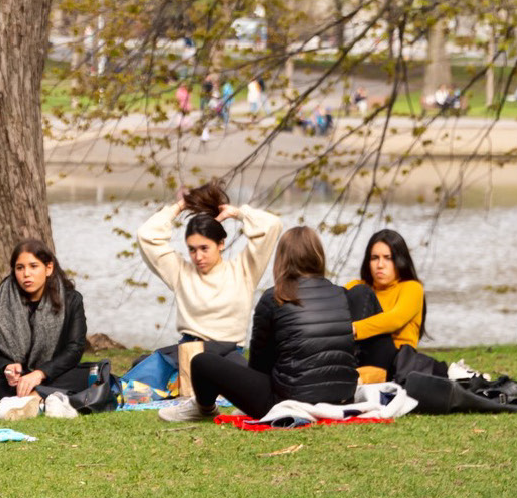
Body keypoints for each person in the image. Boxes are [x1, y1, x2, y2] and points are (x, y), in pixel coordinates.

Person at [168, 226, 360, 423]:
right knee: (237, 358)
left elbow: (259, 365)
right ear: (318, 255)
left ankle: (204, 409)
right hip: (342, 399)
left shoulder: (276, 297)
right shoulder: (340, 294)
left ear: (282, 258)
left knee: (202, 362)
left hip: (287, 401)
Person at [137, 181, 282, 419]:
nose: (198, 256)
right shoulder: (181, 272)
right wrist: (181, 206)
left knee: (255, 388)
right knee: (138, 385)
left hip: (229, 356)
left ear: (221, 244)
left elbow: (272, 225)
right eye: (192, 249)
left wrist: (236, 212)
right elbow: (147, 235)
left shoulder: (244, 270)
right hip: (188, 353)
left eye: (204, 248)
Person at [0, 239, 91, 402]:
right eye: (20, 268)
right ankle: (41, 396)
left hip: (53, 373)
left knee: (88, 375)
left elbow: (75, 349)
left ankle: (32, 396)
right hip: (15, 379)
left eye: (33, 266)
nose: (26, 274)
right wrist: (5, 366)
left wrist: (40, 373)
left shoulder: (71, 300)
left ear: (48, 268)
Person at [346, 229, 426, 381]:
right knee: (355, 292)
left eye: (387, 258)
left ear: (400, 260)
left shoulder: (412, 287)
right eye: (374, 258)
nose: (380, 265)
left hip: (394, 360)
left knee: (362, 293)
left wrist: (354, 329)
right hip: (360, 353)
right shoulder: (357, 286)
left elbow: (395, 319)